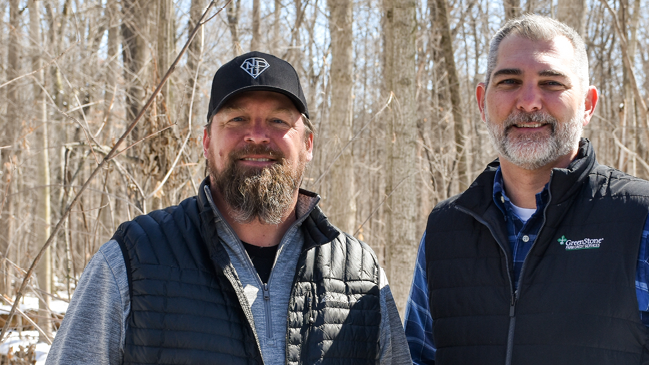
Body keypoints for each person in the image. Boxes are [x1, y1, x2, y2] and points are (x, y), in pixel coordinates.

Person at [404, 14, 649, 365]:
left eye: (552, 83)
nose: (529, 101)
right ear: (483, 102)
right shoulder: (446, 231)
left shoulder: (648, 222)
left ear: (588, 104)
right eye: (510, 81)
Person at [48, 51, 411, 365]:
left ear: (308, 143)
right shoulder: (133, 260)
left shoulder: (360, 275)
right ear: (207, 141)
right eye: (236, 119)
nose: (256, 134)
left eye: (278, 121)